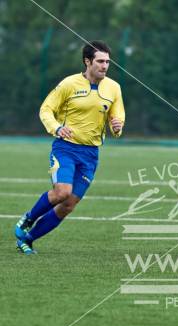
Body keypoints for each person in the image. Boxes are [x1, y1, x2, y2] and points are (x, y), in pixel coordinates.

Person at [13, 40, 125, 255]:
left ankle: (27, 239)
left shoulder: (114, 88)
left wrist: (118, 126)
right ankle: (28, 218)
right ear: (87, 62)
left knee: (68, 205)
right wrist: (56, 128)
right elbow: (46, 109)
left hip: (91, 154)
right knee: (62, 192)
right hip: (65, 148)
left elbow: (117, 115)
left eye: (107, 62)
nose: (105, 66)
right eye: (100, 61)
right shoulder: (69, 84)